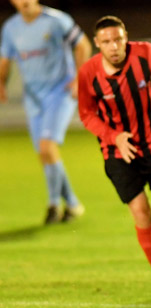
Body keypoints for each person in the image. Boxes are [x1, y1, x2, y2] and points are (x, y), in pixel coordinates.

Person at [78, 16, 151, 296]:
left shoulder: (145, 54)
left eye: (118, 40)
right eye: (106, 42)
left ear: (126, 38)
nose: (114, 47)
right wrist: (114, 136)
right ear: (97, 44)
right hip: (118, 154)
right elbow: (87, 114)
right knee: (141, 213)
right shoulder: (88, 73)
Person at [0, 0, 91, 224]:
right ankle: (72, 203)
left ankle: (53, 205)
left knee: (46, 148)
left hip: (60, 93)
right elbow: (5, 59)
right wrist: (1, 83)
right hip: (33, 99)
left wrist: (80, 78)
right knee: (45, 154)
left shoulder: (57, 20)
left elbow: (83, 45)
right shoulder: (11, 28)